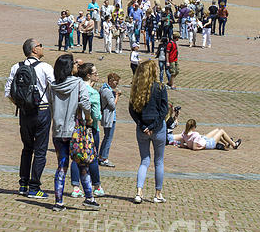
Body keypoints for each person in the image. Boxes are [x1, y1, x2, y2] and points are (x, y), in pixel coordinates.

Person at [47, 53, 99, 211]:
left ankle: (58, 201)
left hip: (58, 130)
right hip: (75, 130)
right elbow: (85, 103)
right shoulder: (78, 83)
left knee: (61, 166)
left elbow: (50, 104)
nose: (77, 65)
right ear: (69, 67)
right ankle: (89, 197)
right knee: (83, 163)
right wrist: (88, 118)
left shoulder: (53, 85)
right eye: (74, 64)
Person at [4, 38, 54, 199]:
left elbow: (8, 92)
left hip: (24, 113)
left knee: (27, 148)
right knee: (40, 150)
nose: (42, 47)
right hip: (42, 111)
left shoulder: (16, 67)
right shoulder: (45, 67)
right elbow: (54, 88)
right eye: (40, 45)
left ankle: (23, 184)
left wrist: (22, 104)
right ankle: (34, 187)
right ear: (34, 50)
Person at [129, 59, 169, 204]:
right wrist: (153, 126)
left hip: (142, 128)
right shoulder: (160, 87)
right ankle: (158, 193)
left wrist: (142, 125)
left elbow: (132, 110)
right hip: (157, 128)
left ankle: (139, 191)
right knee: (158, 161)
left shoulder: (137, 87)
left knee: (144, 161)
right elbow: (164, 110)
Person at [70, 62, 104, 199]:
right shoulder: (93, 93)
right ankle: (96, 186)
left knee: (76, 156)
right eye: (95, 73)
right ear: (89, 75)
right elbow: (96, 116)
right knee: (92, 157)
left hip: (75, 127)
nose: (97, 75)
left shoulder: (75, 86)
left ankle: (76, 187)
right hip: (90, 128)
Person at [176, 118, 241, 151]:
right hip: (208, 144)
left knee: (217, 130)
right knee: (221, 131)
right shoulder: (195, 134)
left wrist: (187, 146)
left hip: (203, 139)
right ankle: (234, 144)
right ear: (193, 127)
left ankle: (227, 143)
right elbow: (194, 148)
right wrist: (202, 147)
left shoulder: (184, 133)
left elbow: (182, 145)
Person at [99, 72, 121, 166]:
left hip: (108, 116)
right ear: (111, 81)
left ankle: (101, 156)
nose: (117, 84)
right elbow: (112, 105)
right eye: (116, 82)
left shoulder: (104, 89)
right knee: (108, 138)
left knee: (106, 137)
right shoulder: (107, 91)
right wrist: (117, 96)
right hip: (109, 117)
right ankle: (104, 158)